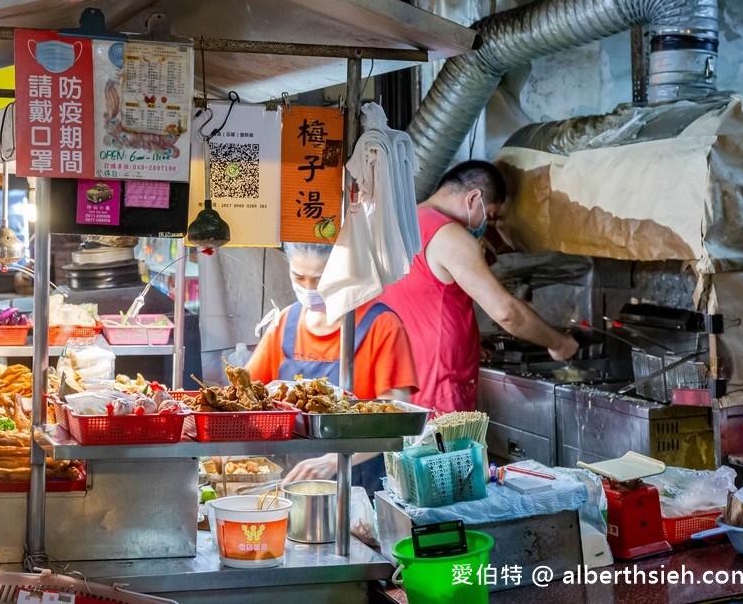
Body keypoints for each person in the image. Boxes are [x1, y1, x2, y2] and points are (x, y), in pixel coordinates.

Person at [379, 160, 579, 413]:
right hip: (437, 389)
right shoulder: (450, 235)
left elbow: (415, 302)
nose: (487, 225)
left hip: (402, 384)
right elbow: (506, 312)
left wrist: (468, 342)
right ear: (474, 198)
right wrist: (558, 342)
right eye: (490, 215)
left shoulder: (400, 225)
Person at [246, 242, 418, 495]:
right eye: (299, 277)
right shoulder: (285, 322)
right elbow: (246, 395)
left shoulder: (382, 326)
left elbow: (395, 420)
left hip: (362, 485)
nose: (308, 288)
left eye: (319, 279)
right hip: (290, 483)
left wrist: (332, 460)